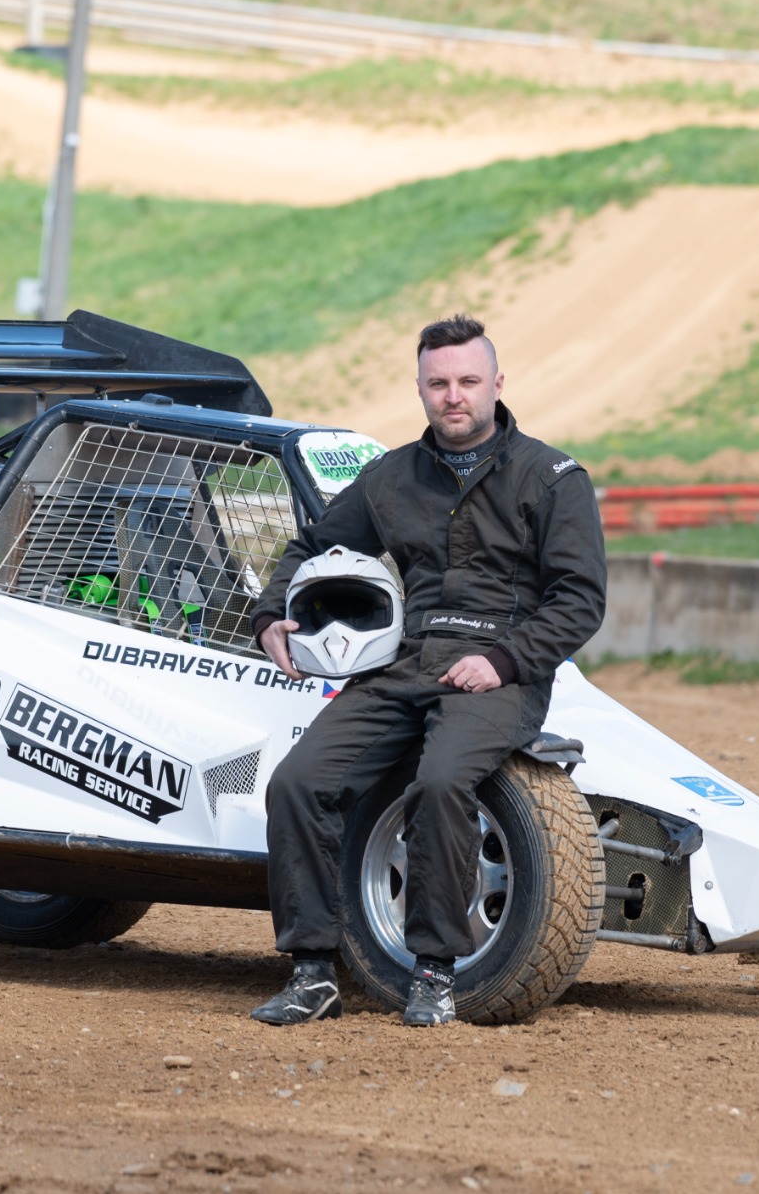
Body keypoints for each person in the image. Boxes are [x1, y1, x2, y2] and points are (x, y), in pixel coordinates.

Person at [247, 313, 607, 1026]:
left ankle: (435, 972)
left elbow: (580, 601)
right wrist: (269, 615)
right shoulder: (390, 477)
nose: (453, 396)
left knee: (440, 782)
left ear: (497, 384)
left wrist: (503, 660)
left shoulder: (552, 478)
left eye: (468, 381)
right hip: (404, 662)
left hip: (500, 672)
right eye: (438, 383)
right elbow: (313, 546)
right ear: (419, 389)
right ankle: (313, 973)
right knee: (298, 783)